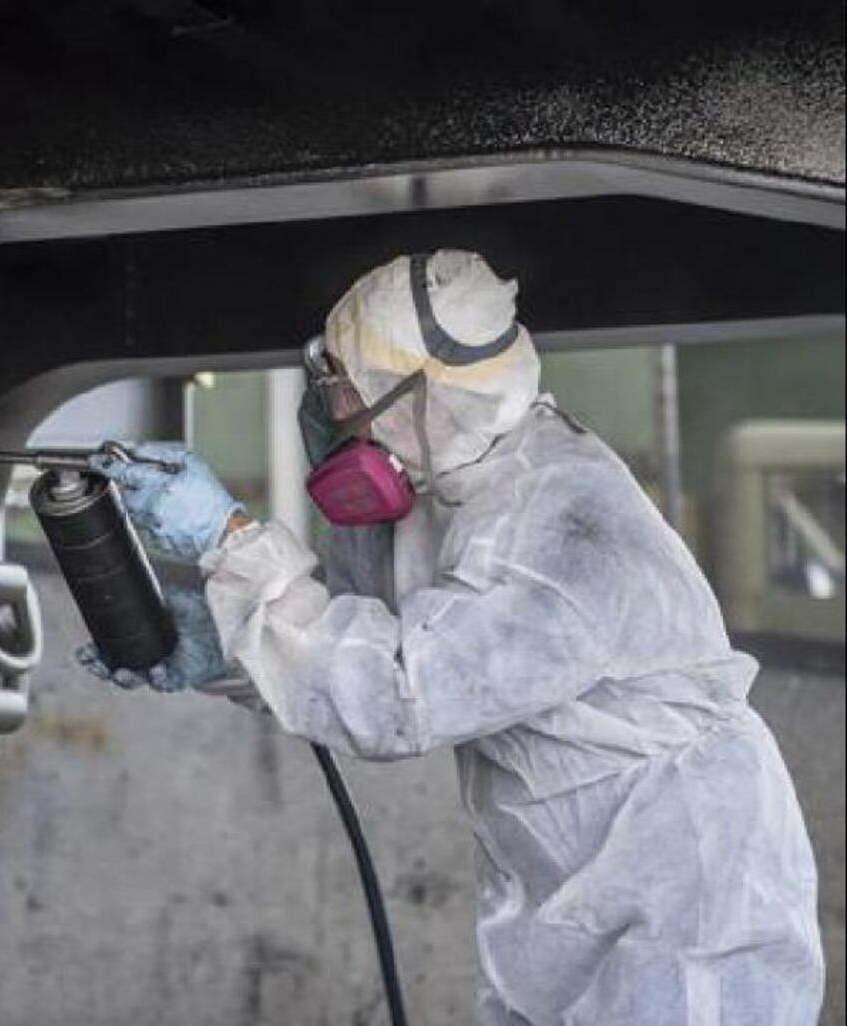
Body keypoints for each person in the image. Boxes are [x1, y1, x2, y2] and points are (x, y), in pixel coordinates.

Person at [77, 250, 823, 1024]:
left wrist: (231, 538)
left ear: (417, 395)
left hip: (684, 908)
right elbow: (367, 639)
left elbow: (396, 694)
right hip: (574, 908)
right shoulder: (459, 487)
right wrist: (226, 645)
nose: (333, 413)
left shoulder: (563, 520)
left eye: (343, 389)